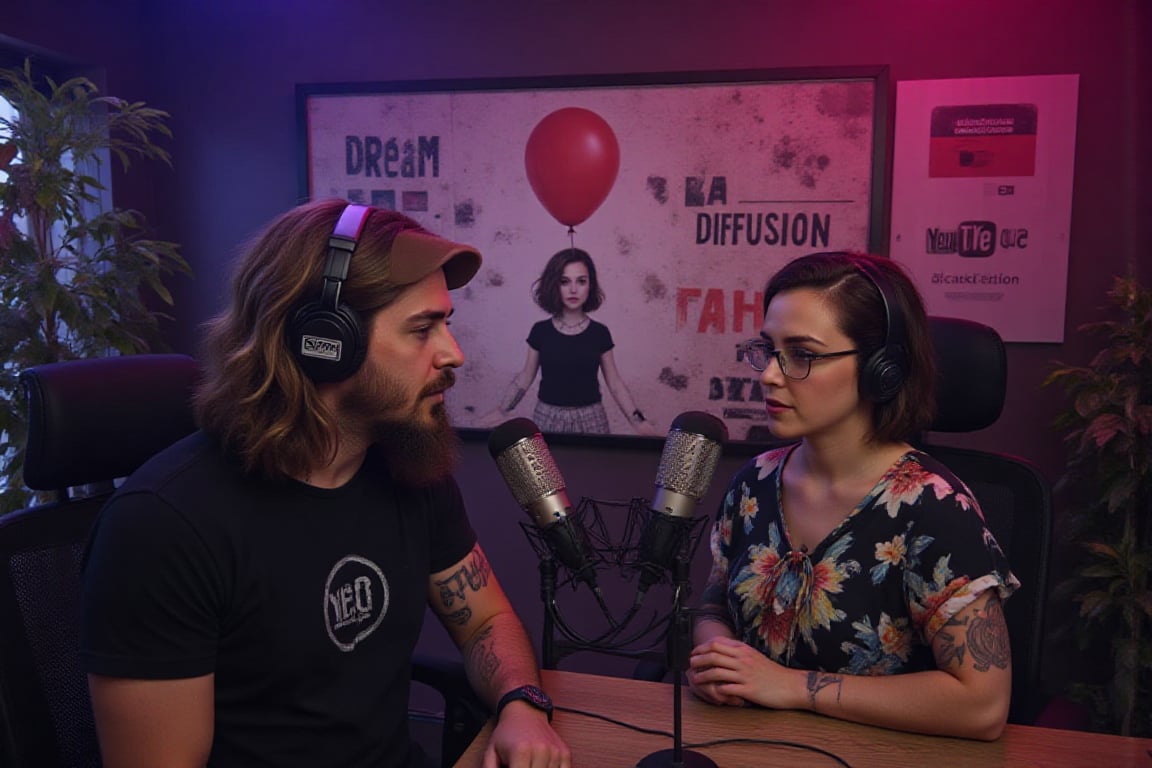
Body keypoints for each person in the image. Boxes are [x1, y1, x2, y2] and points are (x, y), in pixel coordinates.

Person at [79, 199, 571, 768]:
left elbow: (485, 621)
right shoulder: (162, 527)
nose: (452, 354)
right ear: (325, 341)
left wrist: (521, 704)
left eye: (446, 323)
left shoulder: (409, 469)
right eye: (422, 329)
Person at [687, 251, 1019, 741]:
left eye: (801, 354)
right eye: (768, 350)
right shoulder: (753, 482)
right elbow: (715, 605)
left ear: (880, 370)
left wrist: (792, 687)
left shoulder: (934, 507)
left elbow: (983, 705)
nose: (769, 375)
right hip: (750, 748)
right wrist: (718, 659)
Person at [477, 247, 658, 436]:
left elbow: (615, 383)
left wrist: (639, 422)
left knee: (594, 466)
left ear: (591, 285)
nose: (573, 289)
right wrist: (501, 411)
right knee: (545, 466)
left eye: (581, 281)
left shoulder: (600, 333)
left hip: (592, 418)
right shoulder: (540, 331)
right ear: (554, 285)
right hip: (547, 417)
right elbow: (525, 377)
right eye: (564, 281)